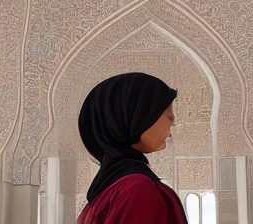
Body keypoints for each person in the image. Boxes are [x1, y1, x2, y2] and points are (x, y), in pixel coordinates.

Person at [77, 72, 188, 224]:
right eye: (166, 111)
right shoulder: (137, 188)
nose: (173, 120)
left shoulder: (111, 186)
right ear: (135, 117)